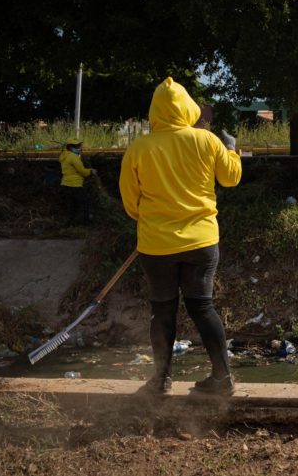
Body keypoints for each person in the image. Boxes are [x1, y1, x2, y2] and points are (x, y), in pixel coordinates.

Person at [119, 77, 242, 395]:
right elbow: (230, 179)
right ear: (188, 107)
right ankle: (222, 379)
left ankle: (160, 380)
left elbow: (131, 202)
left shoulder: (138, 148)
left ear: (154, 111)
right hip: (201, 241)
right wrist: (231, 147)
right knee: (202, 307)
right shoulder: (207, 140)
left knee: (162, 311)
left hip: (156, 245)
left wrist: (151, 222)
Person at [59, 137, 95, 226]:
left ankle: (69, 223)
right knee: (85, 200)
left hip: (66, 183)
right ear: (70, 147)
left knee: (74, 204)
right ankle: (86, 223)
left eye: (79, 145)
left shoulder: (65, 155)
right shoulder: (73, 157)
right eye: (76, 146)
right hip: (73, 184)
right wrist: (91, 171)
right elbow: (82, 171)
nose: (78, 147)